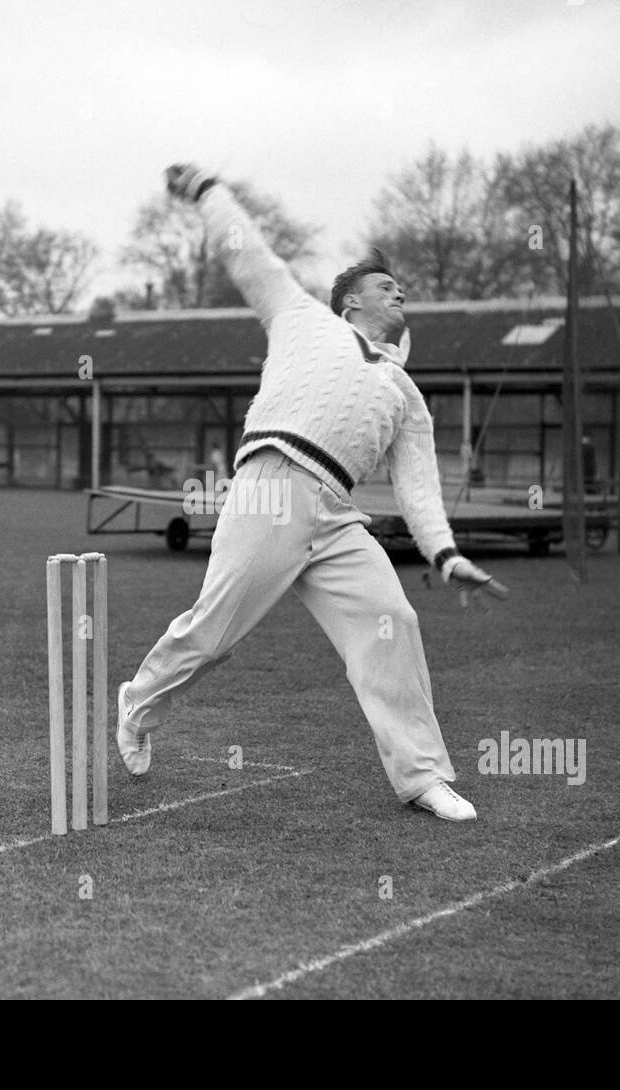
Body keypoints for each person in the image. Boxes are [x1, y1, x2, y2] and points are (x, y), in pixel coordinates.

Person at [115, 164, 506, 823]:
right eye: (388, 288)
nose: (400, 294)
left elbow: (418, 487)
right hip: (270, 487)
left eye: (400, 289)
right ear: (351, 302)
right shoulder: (298, 316)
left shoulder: (406, 394)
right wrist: (210, 192)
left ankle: (423, 777)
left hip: (337, 516)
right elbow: (247, 250)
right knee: (215, 635)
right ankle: (138, 704)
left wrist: (444, 555)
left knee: (394, 623)